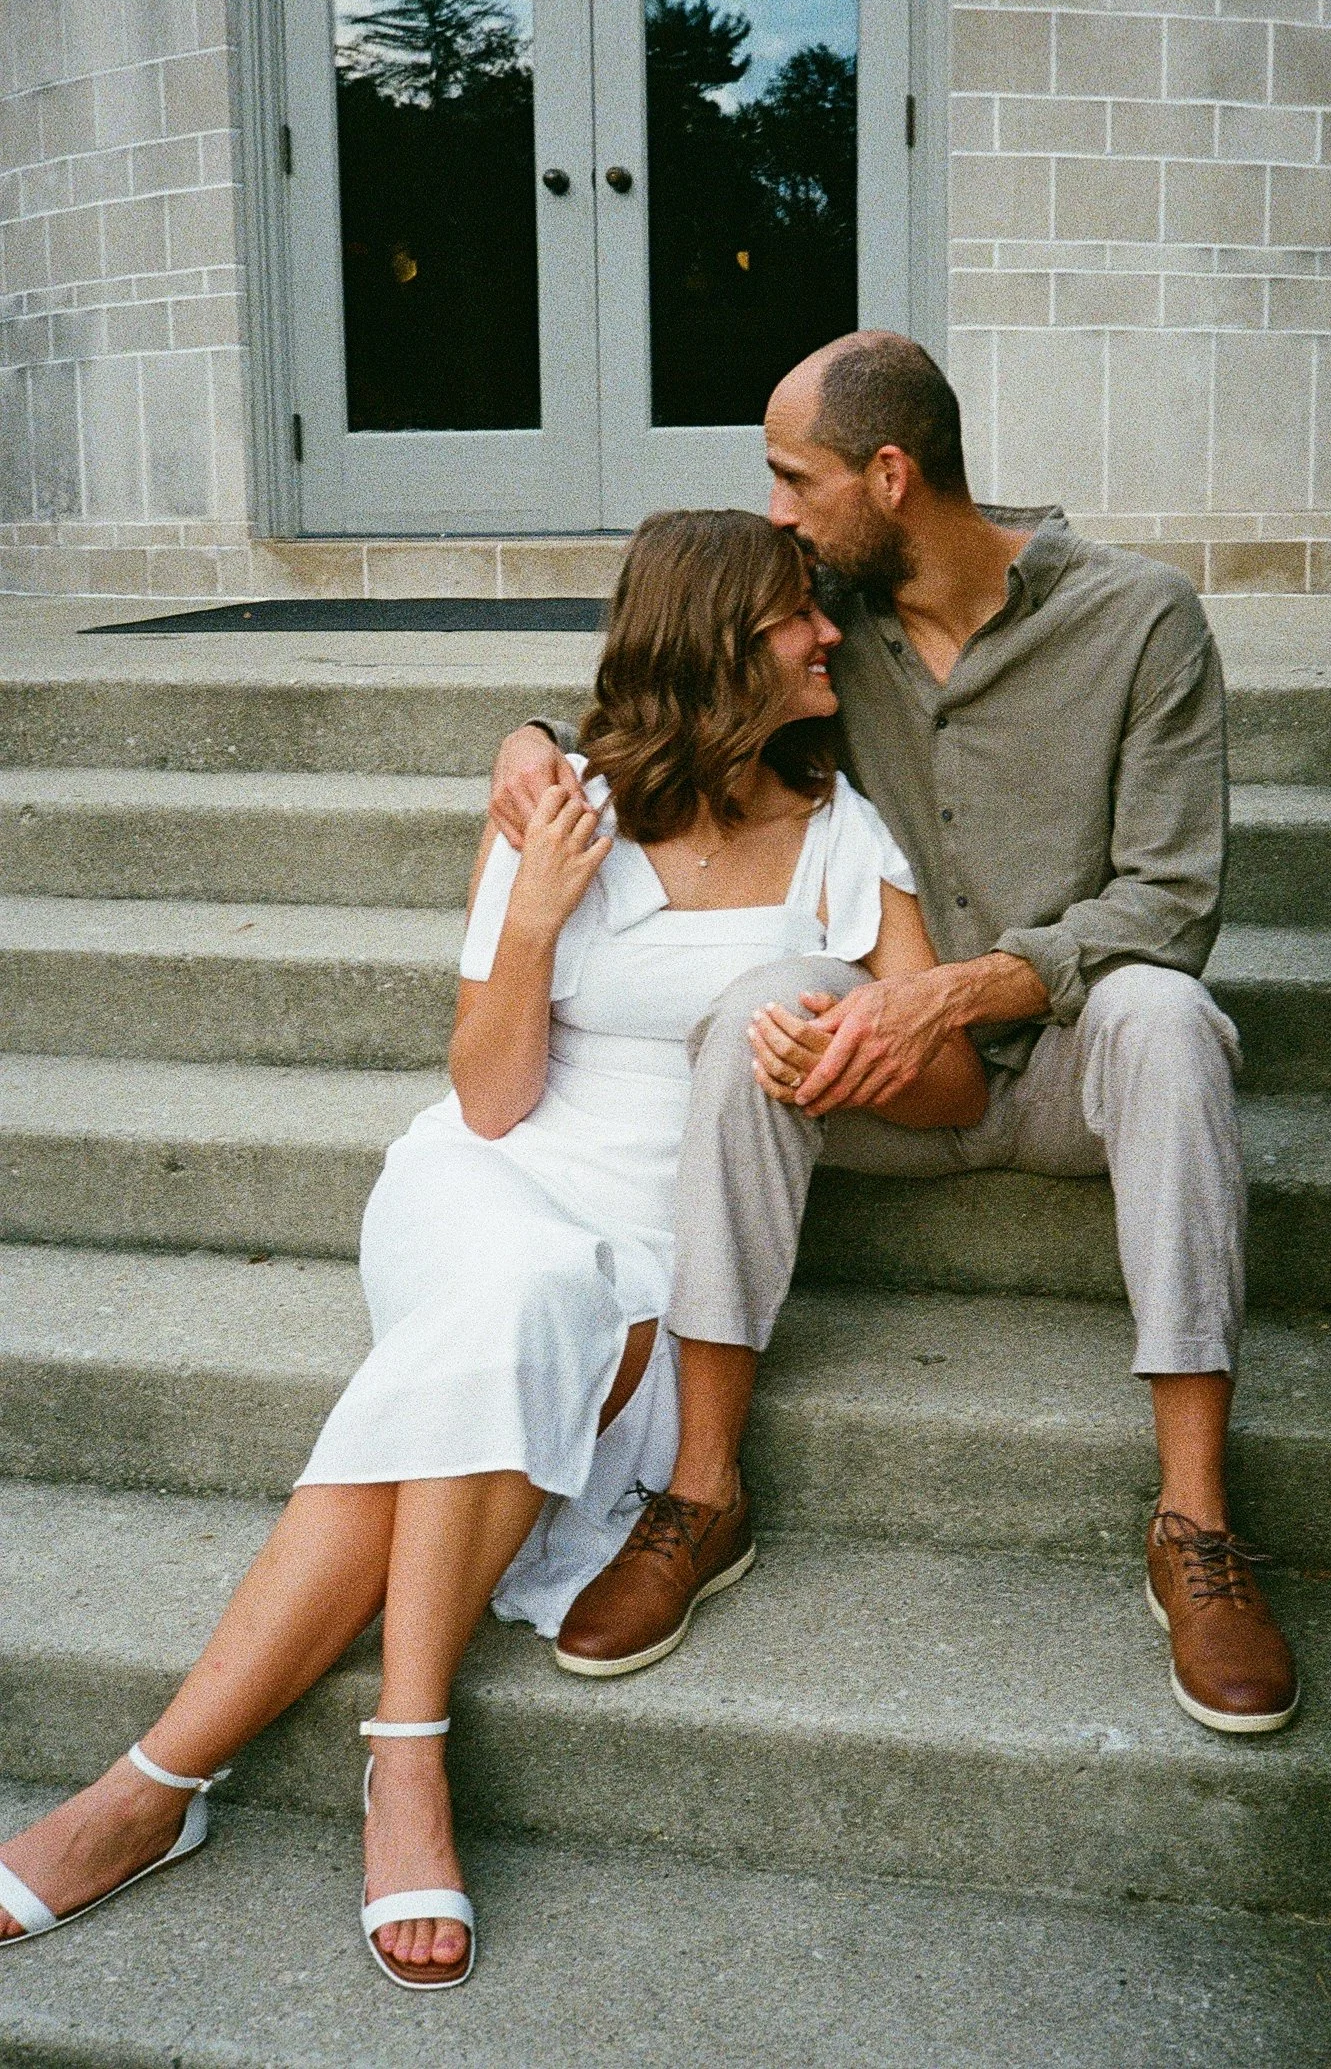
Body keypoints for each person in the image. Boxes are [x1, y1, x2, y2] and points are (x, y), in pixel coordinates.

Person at [0, 508, 986, 1986]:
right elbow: (490, 1093)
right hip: (483, 1181)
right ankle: (399, 1762)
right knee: (513, 1288)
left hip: (667, 1248)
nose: (828, 634)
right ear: (721, 639)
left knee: (524, 1320)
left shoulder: (844, 837)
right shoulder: (561, 807)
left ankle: (152, 1789)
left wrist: (847, 1046)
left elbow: (956, 1082)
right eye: (799, 615)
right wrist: (531, 912)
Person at [490, 331, 1299, 1737]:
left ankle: (1196, 1526)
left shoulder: (1141, 619)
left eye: (792, 477)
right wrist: (528, 735)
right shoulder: (820, 627)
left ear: (888, 472)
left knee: (1167, 1015)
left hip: (1058, 1059)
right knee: (755, 1006)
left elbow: (1170, 903)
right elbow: (666, 685)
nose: (777, 512)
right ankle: (701, 1492)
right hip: (878, 1080)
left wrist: (962, 988)